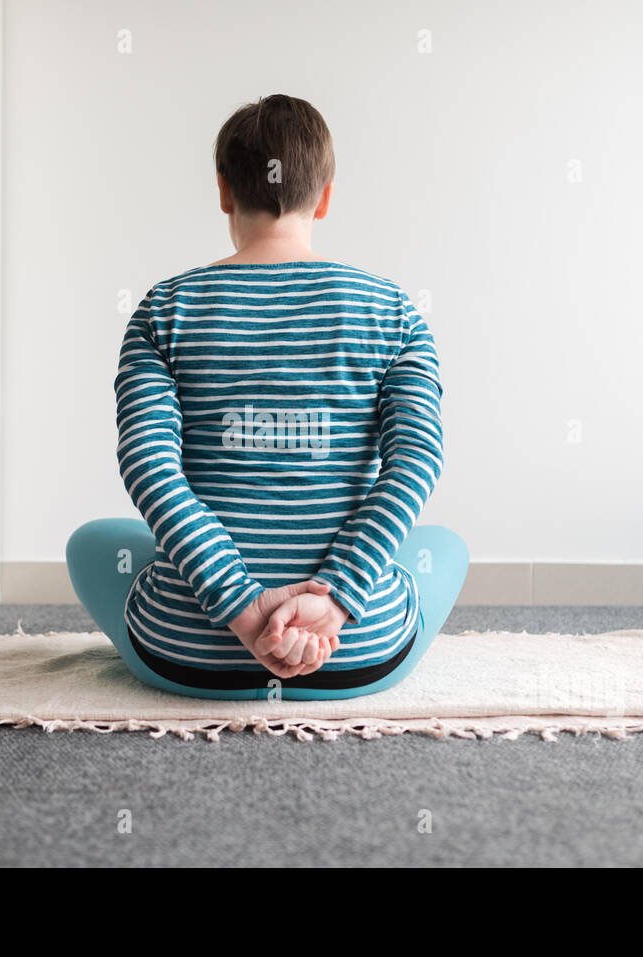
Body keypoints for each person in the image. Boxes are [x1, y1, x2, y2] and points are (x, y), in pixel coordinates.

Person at [67, 94, 468, 701]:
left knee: (95, 541)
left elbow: (149, 467)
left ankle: (230, 622)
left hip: (188, 651)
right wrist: (333, 600)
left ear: (225, 191)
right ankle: (342, 606)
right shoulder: (395, 312)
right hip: (355, 651)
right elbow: (416, 462)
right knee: (443, 547)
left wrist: (247, 616)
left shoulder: (162, 309)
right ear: (325, 196)